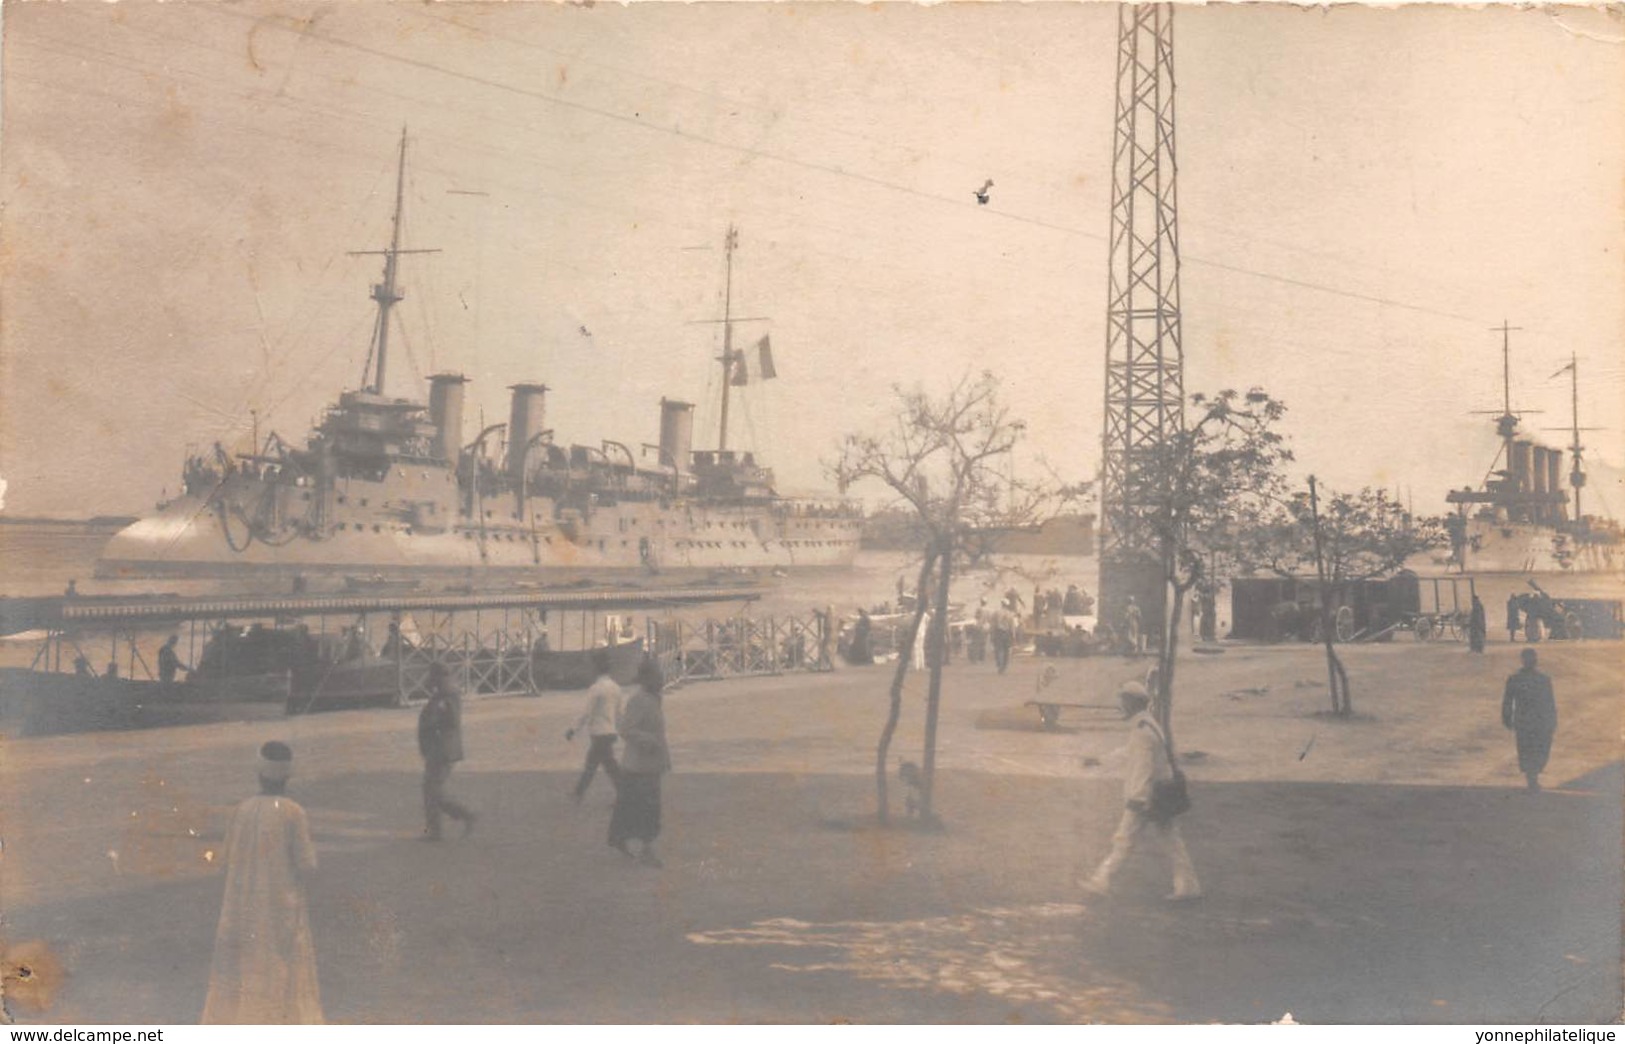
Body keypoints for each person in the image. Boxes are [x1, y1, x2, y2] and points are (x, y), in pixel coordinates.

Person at [202, 741, 322, 1023]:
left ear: (259, 774)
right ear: (288, 776)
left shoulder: (241, 810)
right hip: (281, 907)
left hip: (243, 906)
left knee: (244, 966)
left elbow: (225, 859)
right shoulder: (294, 812)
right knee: (281, 967)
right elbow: (307, 864)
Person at [1080, 682, 1201, 902]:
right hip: (1160, 794)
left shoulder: (1142, 731)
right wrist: (1100, 760)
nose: (1121, 706)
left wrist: (1138, 799)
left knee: (1124, 840)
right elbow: (1129, 753)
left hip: (1148, 797)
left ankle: (1101, 880)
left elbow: (1143, 767)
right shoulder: (1148, 725)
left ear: (1134, 703)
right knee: (1171, 842)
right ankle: (1188, 886)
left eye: (1124, 701)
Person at [609, 657, 672, 867]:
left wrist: (664, 758)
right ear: (647, 678)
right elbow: (626, 729)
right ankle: (645, 849)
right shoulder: (639, 699)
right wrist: (648, 741)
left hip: (649, 763)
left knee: (633, 806)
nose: (662, 678)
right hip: (638, 765)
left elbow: (659, 733)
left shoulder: (654, 698)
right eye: (657, 675)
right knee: (647, 808)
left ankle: (622, 840)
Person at [418, 662, 475, 840]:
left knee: (433, 791)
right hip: (440, 748)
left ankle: (464, 815)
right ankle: (438, 828)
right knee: (432, 790)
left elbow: (448, 721)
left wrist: (434, 716)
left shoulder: (447, 696)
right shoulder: (444, 694)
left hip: (443, 749)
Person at [568, 648, 623, 800]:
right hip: (610, 732)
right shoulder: (616, 688)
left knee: (595, 765)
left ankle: (579, 793)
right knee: (607, 765)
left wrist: (573, 729)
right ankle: (579, 793)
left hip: (599, 733)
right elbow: (619, 714)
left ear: (596, 668)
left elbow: (586, 713)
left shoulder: (596, 689)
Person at [1502, 648, 1557, 792]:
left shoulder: (1517, 679)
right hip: (1536, 721)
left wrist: (1507, 718)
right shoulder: (1541, 679)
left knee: (1528, 749)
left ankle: (1532, 776)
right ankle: (1532, 778)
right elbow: (1550, 703)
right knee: (1535, 749)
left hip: (1527, 720)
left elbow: (1507, 702)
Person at [991, 606, 1014, 674]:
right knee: (1006, 651)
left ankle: (999, 665)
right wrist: (1013, 635)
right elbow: (1012, 626)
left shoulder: (996, 612)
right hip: (1007, 633)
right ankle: (1004, 666)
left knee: (998, 650)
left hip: (998, 633)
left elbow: (993, 624)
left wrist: (992, 633)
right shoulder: (1010, 614)